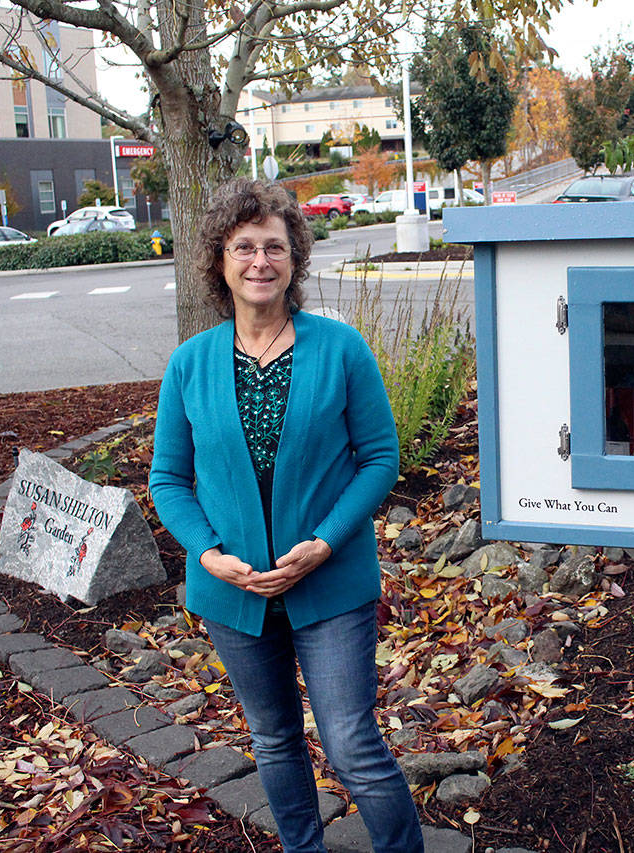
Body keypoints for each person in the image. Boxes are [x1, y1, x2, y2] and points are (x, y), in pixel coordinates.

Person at [149, 177, 423, 853]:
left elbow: (379, 458)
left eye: (274, 246)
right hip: (231, 589)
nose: (260, 261)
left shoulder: (340, 349)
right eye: (244, 246)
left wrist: (324, 543)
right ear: (220, 260)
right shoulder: (190, 364)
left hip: (328, 582)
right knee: (273, 736)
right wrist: (209, 555)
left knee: (351, 741)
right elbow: (168, 479)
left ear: (295, 259)